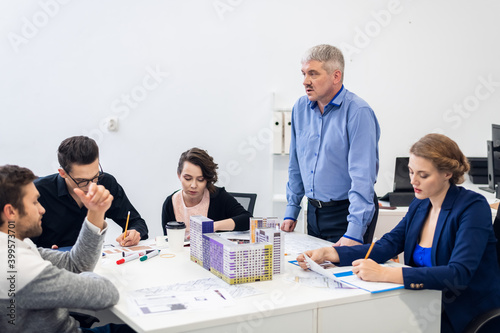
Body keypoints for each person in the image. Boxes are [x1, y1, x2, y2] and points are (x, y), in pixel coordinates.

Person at [297, 134, 500, 332]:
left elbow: (458, 274)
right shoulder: (420, 204)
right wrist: (330, 253)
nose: (413, 181)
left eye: (423, 175)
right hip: (424, 303)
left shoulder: (473, 207)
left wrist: (386, 273)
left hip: (462, 315)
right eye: (411, 172)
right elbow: (388, 245)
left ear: (447, 173)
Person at [0, 165, 134, 332]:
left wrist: (96, 213)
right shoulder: (18, 266)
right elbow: (105, 294)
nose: (42, 209)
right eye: (34, 202)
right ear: (11, 211)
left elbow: (75, 265)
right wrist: (75, 276)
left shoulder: (13, 247)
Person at [282, 44, 380, 246]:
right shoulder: (300, 108)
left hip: (346, 214)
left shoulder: (358, 112)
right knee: (311, 274)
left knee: (341, 275)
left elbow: (363, 177)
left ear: (336, 76)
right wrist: (292, 209)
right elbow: (296, 162)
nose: (305, 82)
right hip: (314, 212)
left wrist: (354, 232)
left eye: (313, 74)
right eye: (303, 74)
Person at [32, 136, 148, 248]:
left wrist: (135, 232)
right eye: (81, 181)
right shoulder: (37, 191)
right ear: (62, 173)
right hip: (50, 264)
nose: (91, 185)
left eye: (95, 176)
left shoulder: (105, 182)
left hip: (94, 262)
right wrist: (44, 254)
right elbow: (17, 245)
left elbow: (136, 222)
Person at [162, 148, 251, 238]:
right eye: (188, 178)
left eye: (200, 180)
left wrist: (213, 226)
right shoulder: (170, 203)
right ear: (179, 175)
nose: (193, 185)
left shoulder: (219, 197)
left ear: (207, 179)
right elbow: (168, 240)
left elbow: (248, 219)